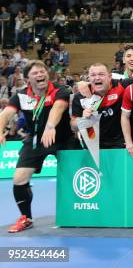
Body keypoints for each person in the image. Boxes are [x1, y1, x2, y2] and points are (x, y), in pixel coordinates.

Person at [0, 61, 75, 232]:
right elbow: (6, 114)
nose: (40, 75)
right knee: (19, 179)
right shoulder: (20, 96)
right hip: (35, 140)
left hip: (63, 138)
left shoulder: (60, 89)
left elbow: (59, 107)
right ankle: (26, 218)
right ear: (27, 79)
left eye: (42, 71)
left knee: (77, 174)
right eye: (35, 73)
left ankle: (82, 211)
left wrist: (50, 127)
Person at [71, 63, 133, 149]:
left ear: (109, 76)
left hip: (117, 144)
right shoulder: (81, 96)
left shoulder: (122, 86)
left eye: (101, 74)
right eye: (93, 75)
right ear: (88, 78)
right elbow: (73, 126)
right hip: (92, 145)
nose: (97, 78)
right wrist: (82, 119)